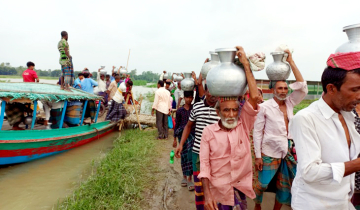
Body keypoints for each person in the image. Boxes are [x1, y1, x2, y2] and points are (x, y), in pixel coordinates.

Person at [289, 52, 360, 210]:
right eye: (355, 90)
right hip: (313, 204)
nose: (359, 96)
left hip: (343, 202)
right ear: (331, 89)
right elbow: (310, 172)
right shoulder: (306, 118)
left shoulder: (348, 114)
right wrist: (356, 165)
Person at [198, 46, 259, 210]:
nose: (231, 114)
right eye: (226, 110)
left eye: (234, 109)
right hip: (218, 192)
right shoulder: (208, 132)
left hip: (239, 190)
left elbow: (254, 97)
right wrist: (207, 195)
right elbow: (204, 166)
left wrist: (245, 64)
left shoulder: (243, 125)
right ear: (218, 111)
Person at [253, 49, 307, 210]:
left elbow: (303, 87)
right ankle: (257, 204)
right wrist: (257, 156)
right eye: (280, 88)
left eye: (285, 88)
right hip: (269, 151)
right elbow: (257, 132)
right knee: (262, 184)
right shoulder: (264, 107)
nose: (283, 91)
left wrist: (291, 61)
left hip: (288, 151)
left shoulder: (290, 103)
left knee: (284, 186)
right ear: (273, 90)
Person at [175, 83, 220, 210]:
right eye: (210, 91)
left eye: (216, 91)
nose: (213, 95)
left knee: (214, 187)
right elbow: (188, 126)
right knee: (199, 188)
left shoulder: (222, 108)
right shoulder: (197, 107)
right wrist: (181, 144)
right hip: (197, 153)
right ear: (205, 92)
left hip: (215, 155)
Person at [173, 91, 195, 191]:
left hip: (192, 135)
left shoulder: (194, 109)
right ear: (184, 98)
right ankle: (184, 177)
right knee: (184, 156)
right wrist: (174, 139)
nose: (189, 100)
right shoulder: (180, 111)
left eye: (191, 98)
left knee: (190, 156)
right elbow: (176, 125)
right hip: (181, 135)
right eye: (187, 98)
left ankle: (190, 178)